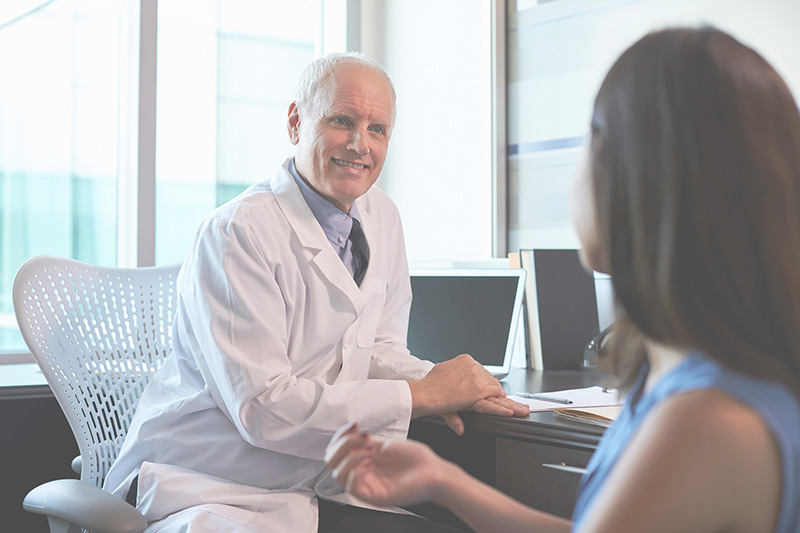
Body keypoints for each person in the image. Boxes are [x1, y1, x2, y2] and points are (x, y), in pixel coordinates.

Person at [326, 27, 800, 532]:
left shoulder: (709, 423)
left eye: (592, 142)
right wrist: (445, 482)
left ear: (648, 181)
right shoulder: (688, 375)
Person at [103, 52, 528, 532]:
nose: (358, 144)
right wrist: (420, 395)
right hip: (205, 482)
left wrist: (448, 385)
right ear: (295, 122)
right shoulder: (236, 233)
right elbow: (262, 408)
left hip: (306, 485)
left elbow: (378, 348)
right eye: (341, 121)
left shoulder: (381, 216)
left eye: (378, 129)